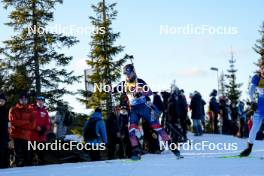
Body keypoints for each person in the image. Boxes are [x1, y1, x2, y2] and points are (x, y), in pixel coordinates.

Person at [113, 64, 182, 160]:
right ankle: (136, 152)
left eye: (129, 73)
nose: (127, 76)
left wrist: (141, 92)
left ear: (133, 72)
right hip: (134, 110)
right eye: (126, 74)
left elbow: (149, 92)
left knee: (158, 129)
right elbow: (113, 90)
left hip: (144, 108)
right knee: (131, 131)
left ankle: (175, 150)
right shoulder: (123, 84)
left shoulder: (140, 81)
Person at [240, 61, 264, 157]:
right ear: (260, 69)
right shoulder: (256, 77)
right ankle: (249, 148)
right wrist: (252, 101)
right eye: (262, 68)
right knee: (254, 128)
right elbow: (250, 91)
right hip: (260, 104)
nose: (263, 70)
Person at [9, 92, 35, 167]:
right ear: (19, 100)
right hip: (16, 136)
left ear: (27, 100)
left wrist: (20, 124)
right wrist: (27, 122)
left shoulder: (31, 111)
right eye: (22, 99)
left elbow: (33, 125)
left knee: (27, 157)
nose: (23, 101)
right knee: (17, 157)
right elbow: (13, 122)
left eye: (25, 99)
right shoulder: (13, 109)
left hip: (27, 137)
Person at [31, 96, 51, 165]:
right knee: (31, 156)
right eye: (39, 100)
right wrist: (36, 127)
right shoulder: (32, 110)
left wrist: (44, 128)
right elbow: (29, 121)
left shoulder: (45, 112)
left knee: (42, 156)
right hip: (32, 137)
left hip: (42, 137)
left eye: (42, 101)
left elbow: (48, 123)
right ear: (36, 101)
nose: (40, 102)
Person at [0, 92, 9, 168]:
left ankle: (5, 165)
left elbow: (7, 123)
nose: (1, 102)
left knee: (4, 150)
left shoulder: (6, 110)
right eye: (0, 100)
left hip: (5, 134)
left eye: (3, 101)